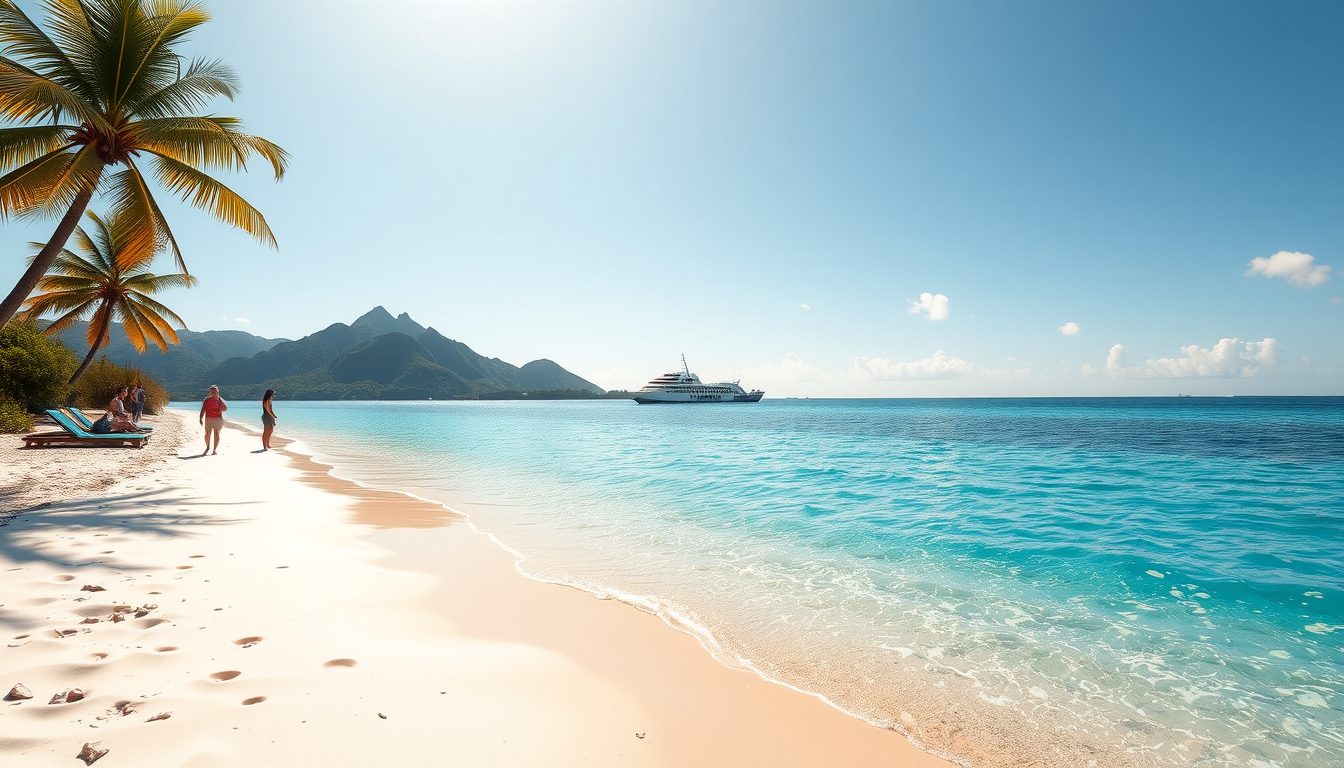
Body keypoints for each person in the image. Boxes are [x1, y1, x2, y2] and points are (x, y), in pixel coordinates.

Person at [199, 385, 228, 455]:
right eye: (212, 391)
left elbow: (225, 409)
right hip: (208, 418)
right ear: (210, 392)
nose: (214, 393)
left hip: (218, 419)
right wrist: (200, 418)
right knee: (207, 434)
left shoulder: (220, 400)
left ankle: (214, 450)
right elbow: (203, 409)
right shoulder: (207, 400)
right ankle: (208, 446)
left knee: (216, 433)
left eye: (216, 391)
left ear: (218, 392)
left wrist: (219, 399)